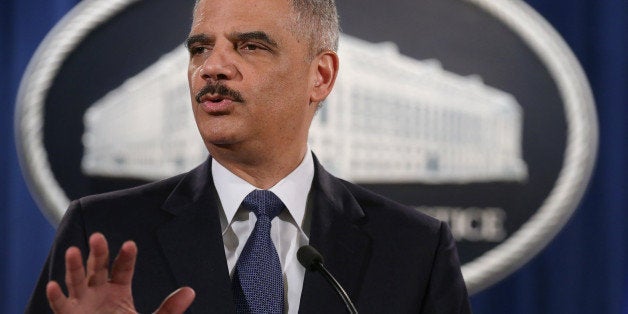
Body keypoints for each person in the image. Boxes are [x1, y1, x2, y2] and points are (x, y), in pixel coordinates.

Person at [26, 0, 472, 313]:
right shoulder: (102, 232)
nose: (212, 67)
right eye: (200, 48)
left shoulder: (415, 249)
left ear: (319, 76)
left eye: (250, 46)